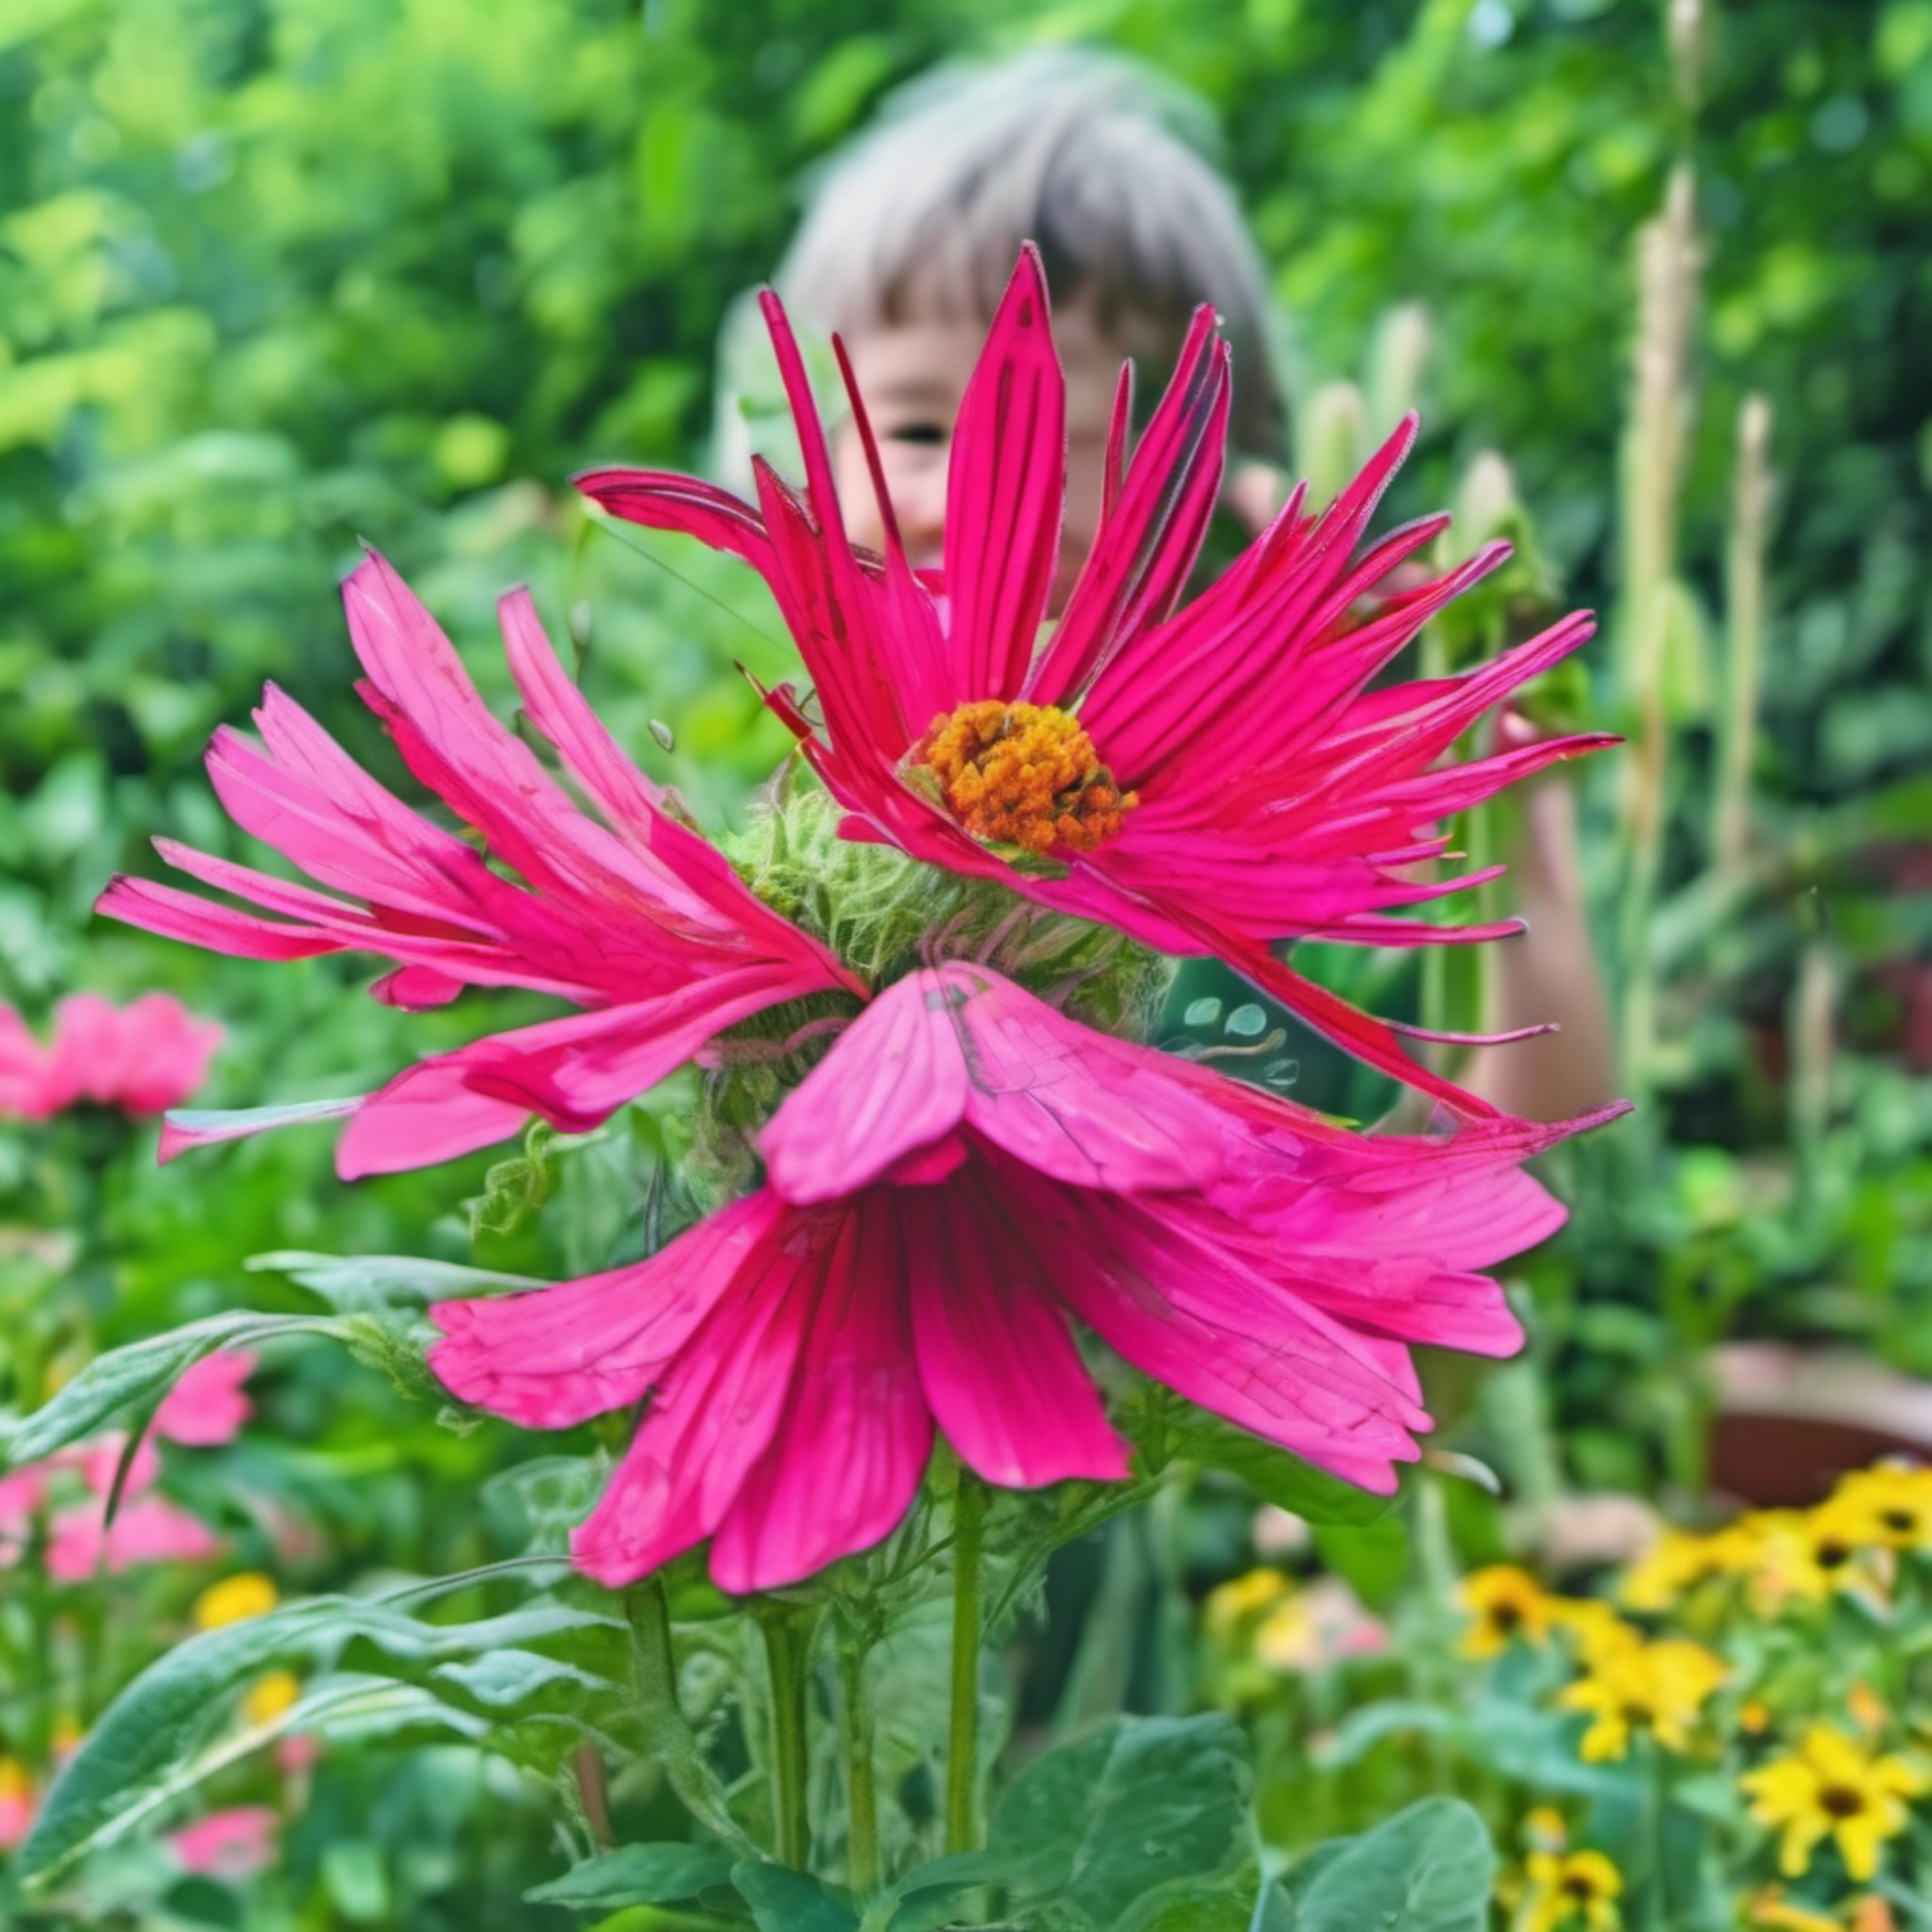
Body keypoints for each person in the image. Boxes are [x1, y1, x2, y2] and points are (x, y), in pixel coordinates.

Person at [724, 46, 1616, 1125]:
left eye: (1058, 446)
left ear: (1200, 492)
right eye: (913, 429)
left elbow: (1531, 1122)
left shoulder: (1272, 822)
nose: (971, 498)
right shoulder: (812, 804)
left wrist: (1501, 803)